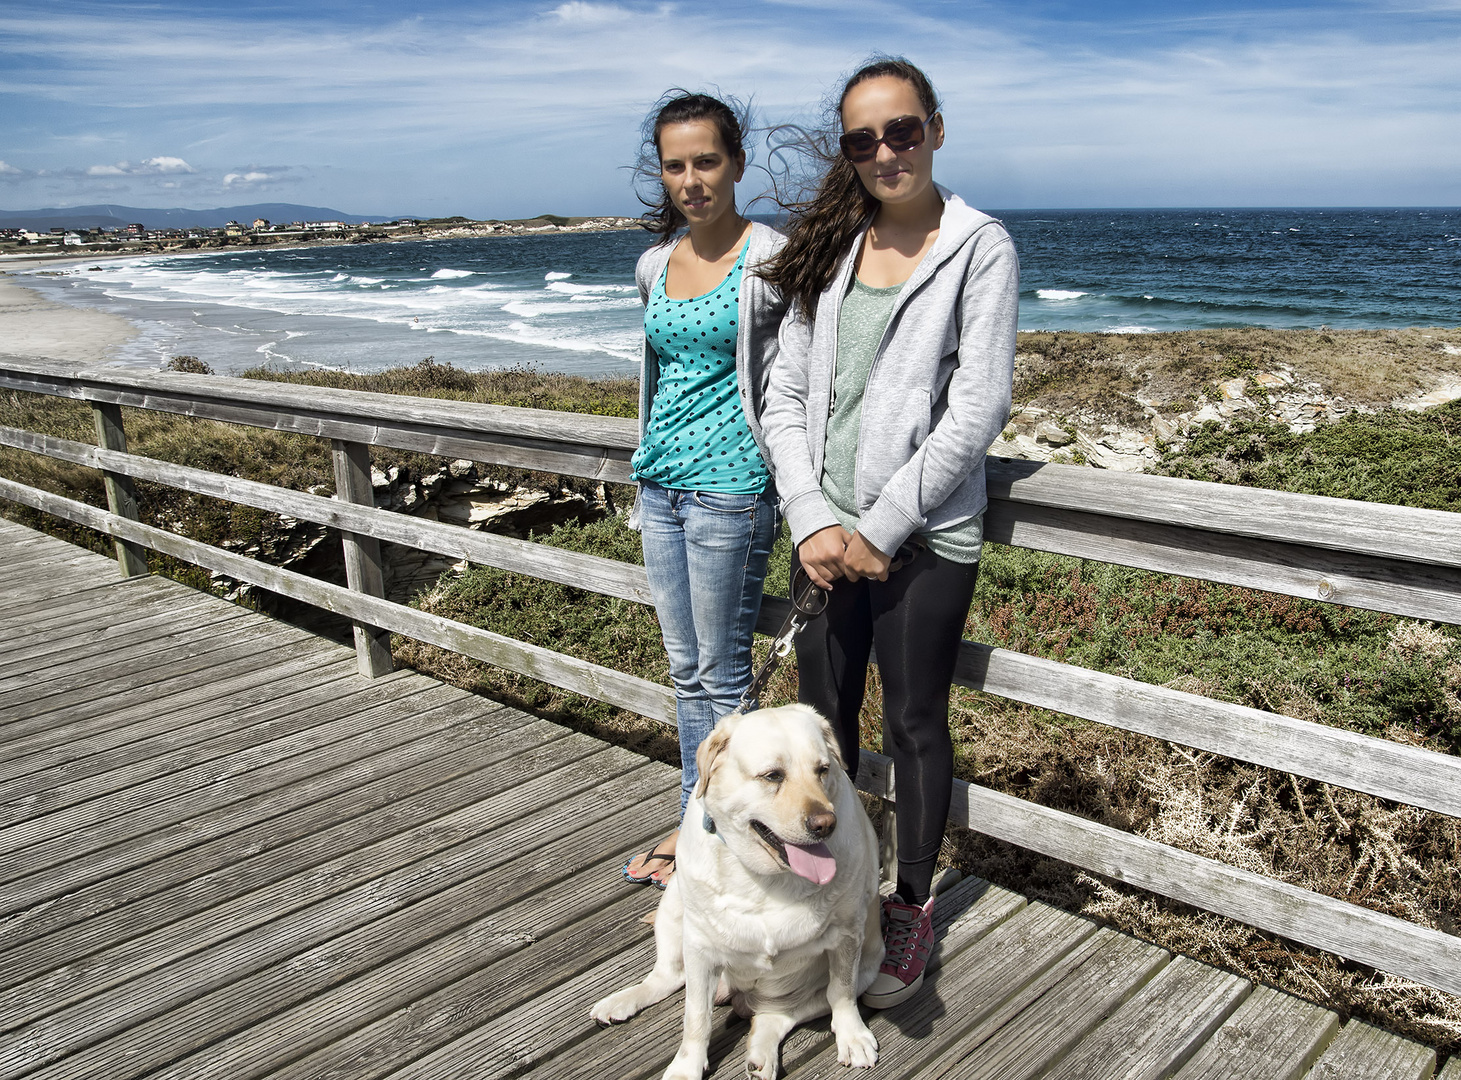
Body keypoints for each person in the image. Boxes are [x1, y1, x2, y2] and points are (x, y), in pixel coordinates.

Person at [759, 58, 1019, 1008]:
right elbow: (783, 393)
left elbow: (977, 405)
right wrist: (812, 517)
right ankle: (821, 888)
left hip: (921, 541)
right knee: (820, 730)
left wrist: (881, 525)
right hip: (823, 538)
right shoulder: (830, 245)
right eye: (862, 139)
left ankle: (907, 908)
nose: (884, 151)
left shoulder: (978, 245)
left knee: (913, 724)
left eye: (902, 130)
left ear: (936, 130)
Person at [620, 92, 788, 890]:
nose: (691, 179)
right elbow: (660, 377)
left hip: (731, 491)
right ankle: (698, 822)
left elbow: (797, 384)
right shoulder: (655, 263)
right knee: (684, 670)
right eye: (675, 164)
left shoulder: (774, 260)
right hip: (659, 485)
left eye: (706, 161)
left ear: (736, 165)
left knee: (721, 677)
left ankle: (715, 841)